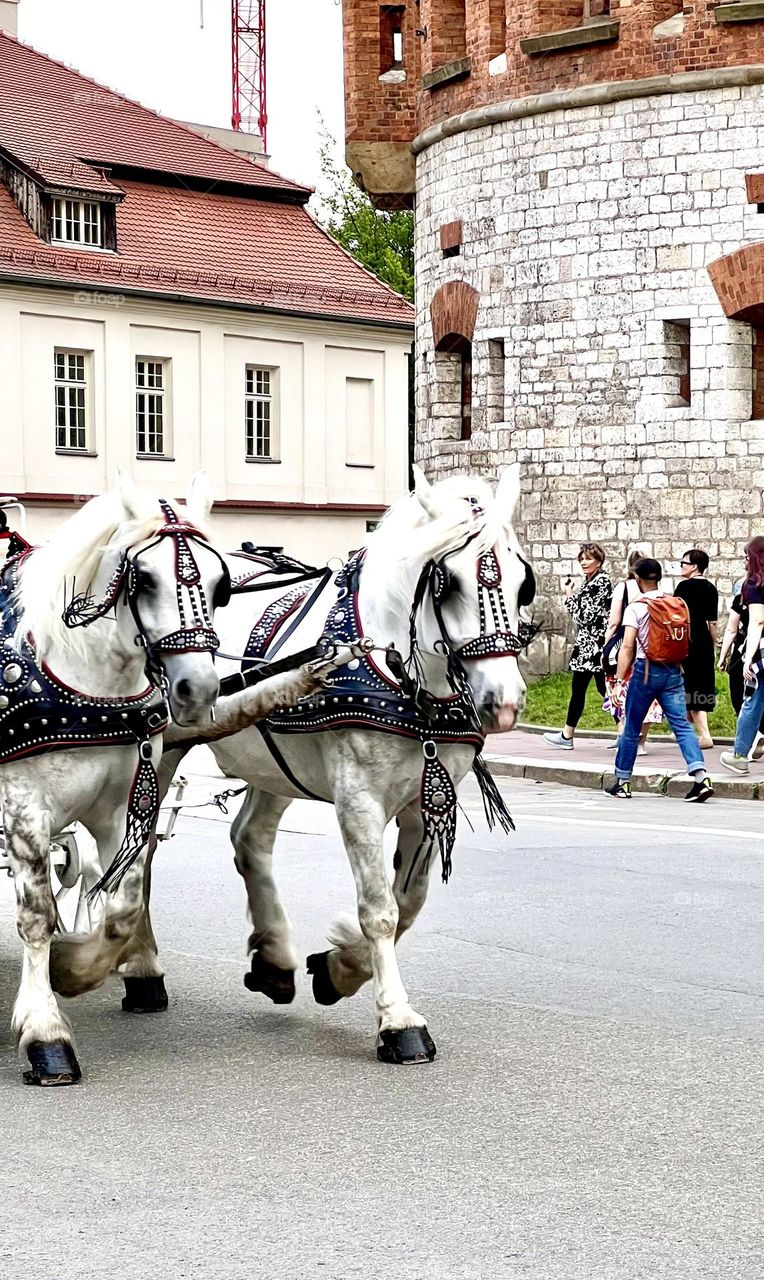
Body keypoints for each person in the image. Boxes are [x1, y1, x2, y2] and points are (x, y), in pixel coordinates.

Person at [606, 558, 714, 802]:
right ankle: (701, 777)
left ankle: (623, 781)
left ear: (637, 579)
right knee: (682, 725)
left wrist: (619, 679)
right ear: (659, 578)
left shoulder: (636, 607)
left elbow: (627, 647)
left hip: (645, 671)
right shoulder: (674, 603)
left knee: (632, 726)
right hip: (673, 671)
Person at [544, 543, 612, 749]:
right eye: (581, 558)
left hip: (593, 646)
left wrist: (568, 596)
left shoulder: (600, 582)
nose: (584, 562)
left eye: (588, 558)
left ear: (599, 561)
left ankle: (568, 736)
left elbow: (585, 617)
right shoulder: (591, 581)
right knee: (597, 690)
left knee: (602, 690)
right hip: (589, 645)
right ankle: (568, 735)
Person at [602, 548, 662, 755]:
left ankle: (623, 733)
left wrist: (606, 645)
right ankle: (641, 742)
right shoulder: (660, 593)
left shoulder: (623, 588)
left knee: (619, 688)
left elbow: (614, 622)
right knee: (649, 696)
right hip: (652, 649)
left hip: (628, 644)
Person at [720, 536, 764, 776]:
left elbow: (757, 620)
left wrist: (748, 658)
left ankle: (739, 755)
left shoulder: (754, 585)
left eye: (747, 556)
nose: (744, 560)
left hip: (763, 652)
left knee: (752, 702)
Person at [674, 548, 718, 748]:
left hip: (687, 640)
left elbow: (676, 617)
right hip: (704, 640)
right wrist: (714, 645)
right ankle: (684, 729)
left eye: (684, 563)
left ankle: (704, 735)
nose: (681, 566)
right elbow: (713, 623)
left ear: (695, 567)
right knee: (701, 683)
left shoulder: (683, 588)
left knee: (691, 687)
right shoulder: (711, 588)